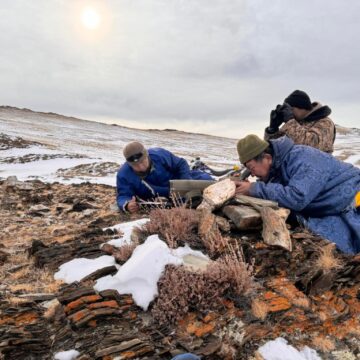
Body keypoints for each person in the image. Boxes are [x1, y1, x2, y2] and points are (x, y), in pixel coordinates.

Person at [234, 134, 360, 254]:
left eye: (251, 168)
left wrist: (255, 189)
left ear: (267, 158)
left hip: (354, 198)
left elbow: (297, 197)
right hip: (333, 207)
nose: (252, 174)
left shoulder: (303, 158)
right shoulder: (278, 166)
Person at [116, 141, 213, 213]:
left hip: (178, 185)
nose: (141, 167)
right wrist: (127, 205)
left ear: (147, 155)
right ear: (129, 164)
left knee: (208, 182)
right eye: (135, 165)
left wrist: (186, 184)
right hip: (156, 199)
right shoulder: (124, 174)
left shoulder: (159, 154)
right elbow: (123, 195)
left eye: (142, 162)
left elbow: (181, 164)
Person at [265, 90, 336, 153]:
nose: (289, 112)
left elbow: (311, 146)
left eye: (291, 109)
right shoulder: (293, 124)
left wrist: (290, 121)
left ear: (301, 107)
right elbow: (274, 149)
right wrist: (272, 129)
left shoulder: (325, 122)